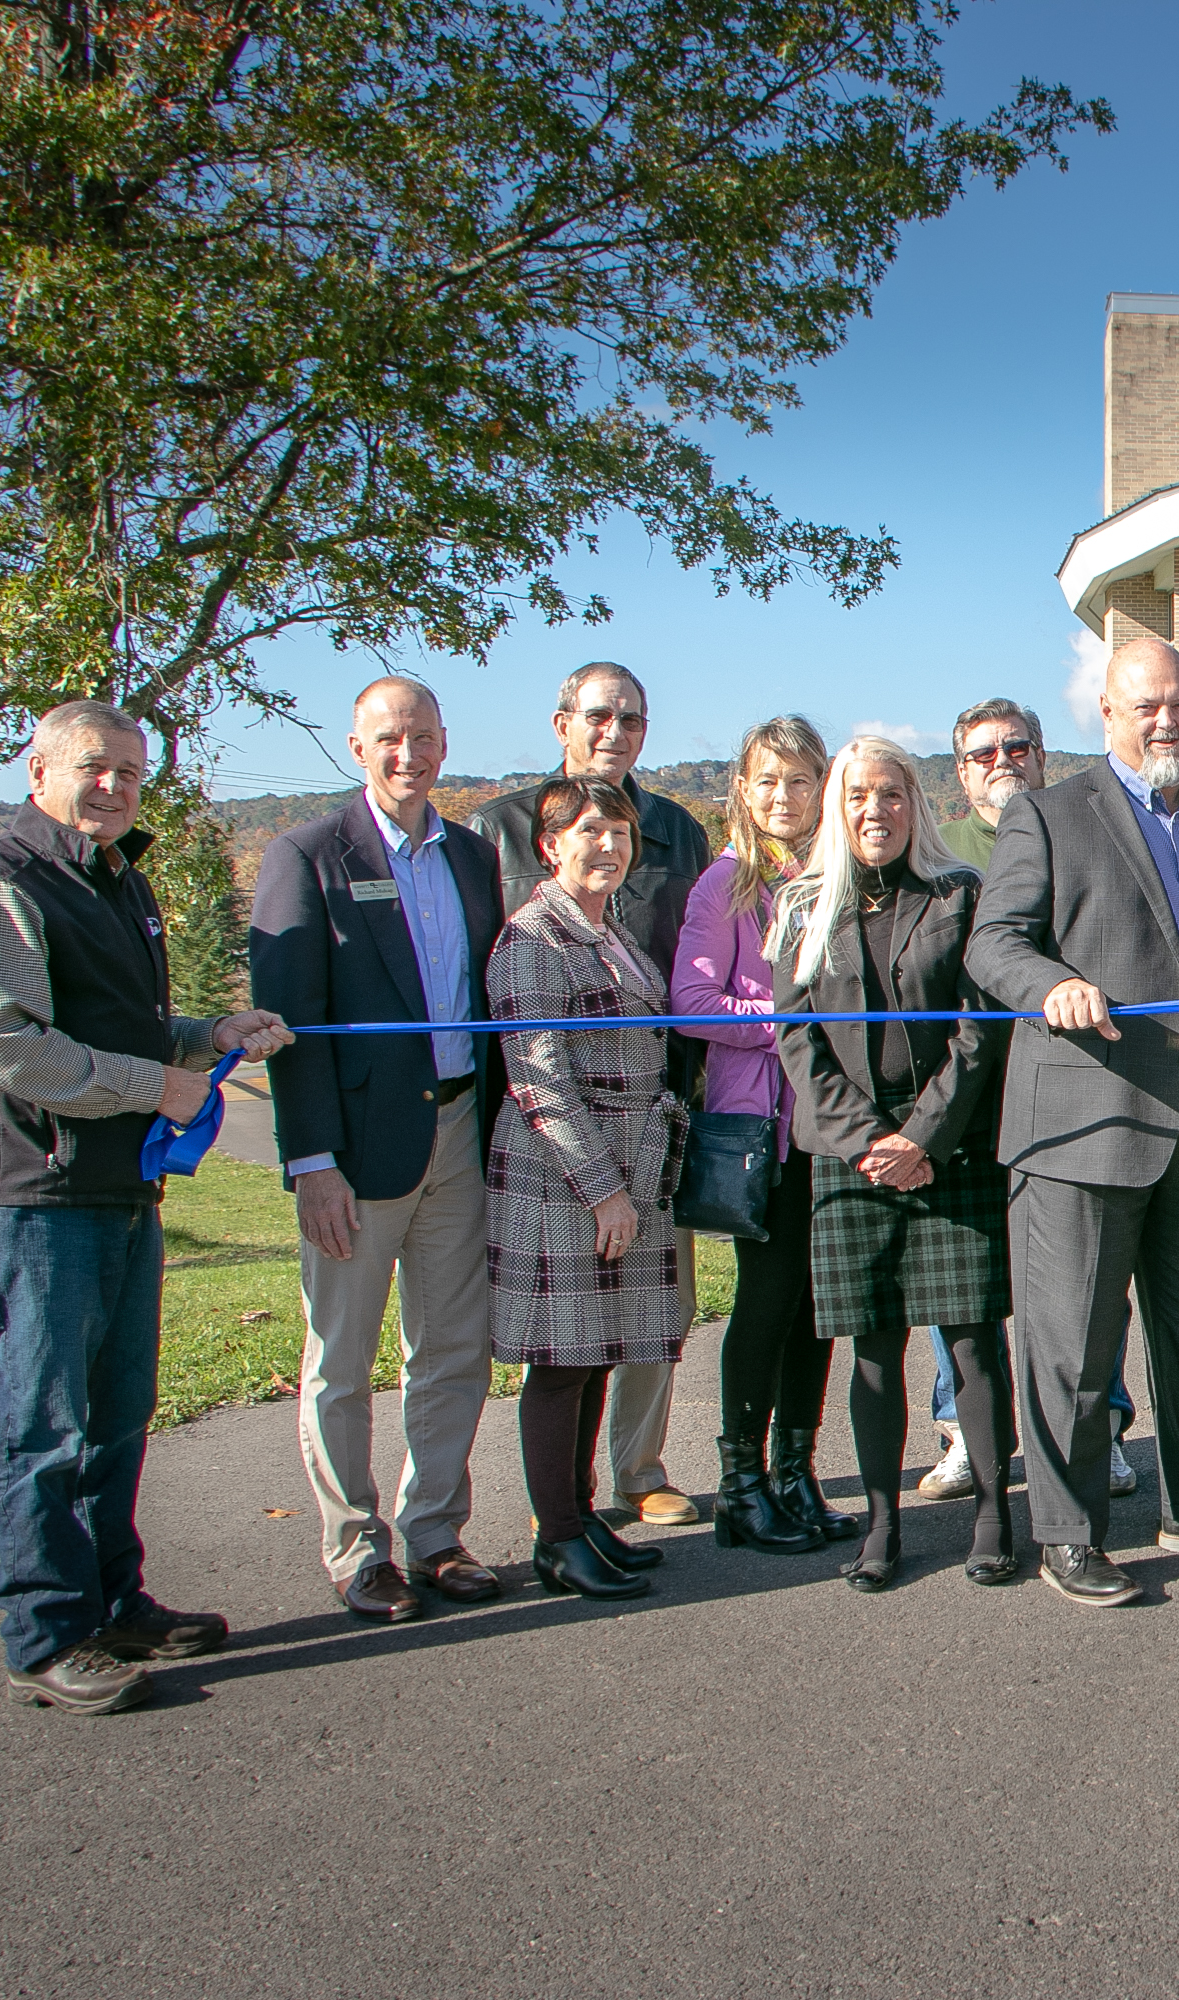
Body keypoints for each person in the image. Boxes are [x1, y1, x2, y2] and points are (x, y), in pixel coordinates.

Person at [0, 701, 290, 1713]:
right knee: (43, 1420)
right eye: (95, 767)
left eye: (132, 771)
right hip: (33, 1190)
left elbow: (120, 1016)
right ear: (37, 766)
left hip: (119, 1183)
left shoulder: (115, 877)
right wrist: (156, 1083)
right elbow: (10, 1047)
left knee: (116, 1414)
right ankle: (44, 1634)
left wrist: (206, 1029)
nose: (116, 787)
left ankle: (112, 1600)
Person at [965, 636, 1179, 1607]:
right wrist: (1056, 984)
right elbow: (996, 944)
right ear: (1106, 713)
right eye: (1146, 703)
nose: (1167, 720)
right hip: (1084, 1111)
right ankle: (1069, 1535)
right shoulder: (1048, 812)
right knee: (1072, 1341)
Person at [250, 676, 510, 1623]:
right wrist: (310, 1160)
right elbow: (292, 1025)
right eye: (389, 738)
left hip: (457, 1133)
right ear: (358, 746)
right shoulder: (305, 855)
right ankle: (358, 1549)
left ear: (445, 745)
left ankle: (436, 1533)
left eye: (424, 738)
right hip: (356, 1152)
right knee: (343, 1357)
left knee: (453, 1348)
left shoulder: (475, 859)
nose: (409, 755)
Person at [467, 662, 712, 1528]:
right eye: (600, 715)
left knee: (639, 1321)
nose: (616, 732)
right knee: (566, 1344)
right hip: (557, 1138)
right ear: (563, 720)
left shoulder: (679, 831)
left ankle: (634, 1476)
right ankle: (559, 1522)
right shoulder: (493, 831)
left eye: (634, 719)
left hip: (647, 1125)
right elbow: (525, 1039)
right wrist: (590, 1171)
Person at [772, 738, 1016, 1590]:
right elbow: (797, 1040)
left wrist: (924, 1135)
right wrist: (869, 1141)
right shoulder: (803, 906)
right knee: (873, 1350)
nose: (874, 811)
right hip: (853, 1161)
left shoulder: (959, 895)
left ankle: (993, 1514)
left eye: (891, 794)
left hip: (949, 1150)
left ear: (915, 803)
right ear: (836, 809)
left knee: (974, 1344)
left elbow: (980, 1029)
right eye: (857, 796)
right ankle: (882, 1525)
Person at [920, 694, 1137, 1502]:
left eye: (1019, 746)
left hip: (1071, 1085)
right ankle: (962, 1433)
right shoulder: (937, 853)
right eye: (982, 753)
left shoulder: (1074, 823)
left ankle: (1103, 1427)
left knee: (1091, 1279)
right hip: (973, 1092)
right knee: (966, 1279)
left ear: (1043, 756)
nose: (1002, 761)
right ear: (960, 770)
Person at [486, 777, 690, 1600]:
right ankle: (557, 1539)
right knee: (563, 1360)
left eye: (620, 833)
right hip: (562, 1174)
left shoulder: (610, 935)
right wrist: (604, 1191)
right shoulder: (532, 940)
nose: (608, 847)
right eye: (591, 832)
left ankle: (581, 1515)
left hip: (627, 1166)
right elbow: (538, 1081)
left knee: (599, 1352)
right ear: (550, 845)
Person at [673, 715, 834, 1557]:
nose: (784, 796)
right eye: (768, 780)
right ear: (743, 788)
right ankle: (741, 1486)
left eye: (800, 780)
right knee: (767, 1304)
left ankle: (796, 1473)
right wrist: (793, 1023)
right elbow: (693, 1004)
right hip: (761, 1126)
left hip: (830, 1124)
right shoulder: (725, 885)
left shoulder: (840, 875)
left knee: (816, 1310)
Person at [942, 697, 1048, 872]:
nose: (1002, 760)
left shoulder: (1079, 836)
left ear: (1040, 759)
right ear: (963, 774)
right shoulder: (933, 849)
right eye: (984, 754)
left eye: (1016, 748)